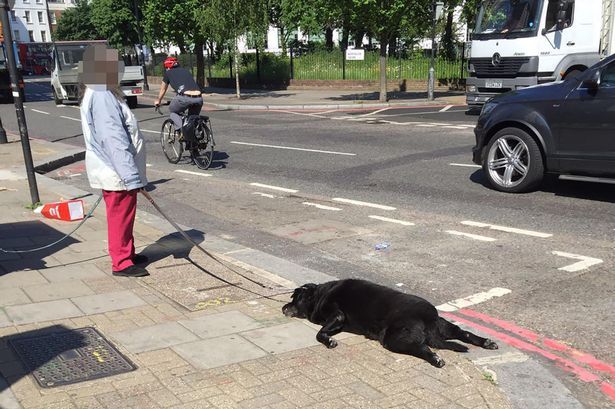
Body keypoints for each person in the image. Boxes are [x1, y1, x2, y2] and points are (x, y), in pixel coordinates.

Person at [79, 44, 149, 278]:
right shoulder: (101, 94)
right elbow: (113, 138)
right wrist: (130, 176)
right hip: (116, 169)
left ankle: (126, 253)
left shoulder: (100, 91)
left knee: (124, 214)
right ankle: (121, 261)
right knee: (120, 215)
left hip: (114, 168)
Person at [154, 57, 203, 145]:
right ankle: (194, 147)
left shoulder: (168, 73)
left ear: (167, 66)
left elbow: (163, 89)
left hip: (185, 97)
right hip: (199, 98)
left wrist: (158, 101)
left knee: (173, 110)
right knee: (192, 120)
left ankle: (182, 131)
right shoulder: (186, 71)